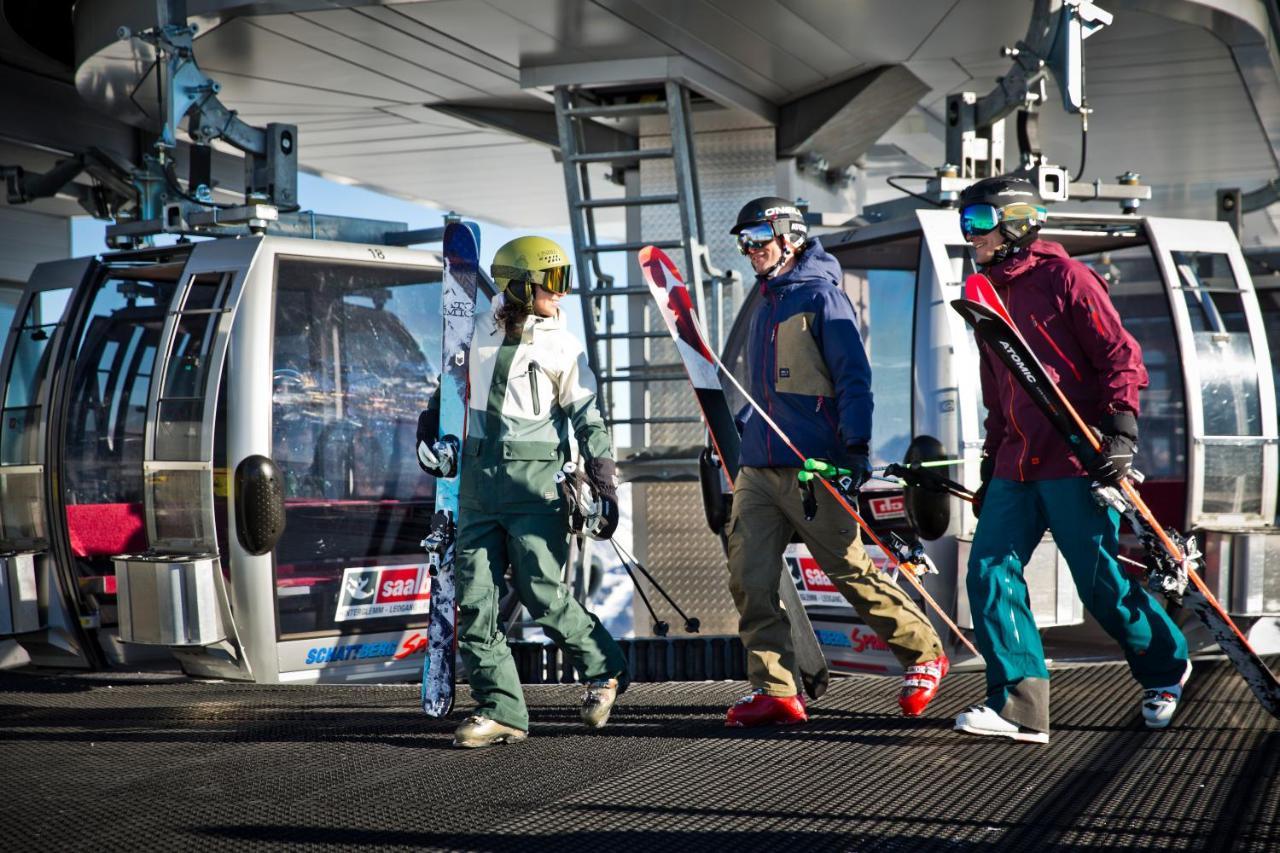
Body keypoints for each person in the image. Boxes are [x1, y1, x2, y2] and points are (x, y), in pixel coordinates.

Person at [954, 175, 1191, 744]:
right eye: (966, 223)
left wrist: (1120, 434)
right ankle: (1019, 707)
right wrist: (991, 461)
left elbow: (1120, 356)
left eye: (981, 222)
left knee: (1100, 583)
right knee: (988, 572)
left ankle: (1165, 666)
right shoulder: (984, 291)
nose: (971, 235)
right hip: (1016, 460)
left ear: (1016, 222)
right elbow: (999, 388)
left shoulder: (1066, 277)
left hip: (1073, 455)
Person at [724, 196, 949, 727]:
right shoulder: (766, 300)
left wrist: (854, 451)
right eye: (743, 241)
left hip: (812, 467)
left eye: (757, 237)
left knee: (848, 569)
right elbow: (771, 391)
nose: (749, 249)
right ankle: (776, 689)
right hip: (759, 466)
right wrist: (742, 431)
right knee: (749, 579)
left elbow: (854, 381)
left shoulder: (823, 298)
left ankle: (923, 655)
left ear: (789, 236)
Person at [417, 235, 628, 748]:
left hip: (535, 488)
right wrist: (427, 429)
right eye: (552, 283)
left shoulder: (561, 343)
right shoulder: (473, 333)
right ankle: (501, 709)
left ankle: (604, 670)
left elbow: (588, 417)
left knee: (541, 592)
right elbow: (447, 391)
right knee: (475, 600)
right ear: (518, 286)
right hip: (476, 486)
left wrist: (603, 483)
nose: (562, 294)